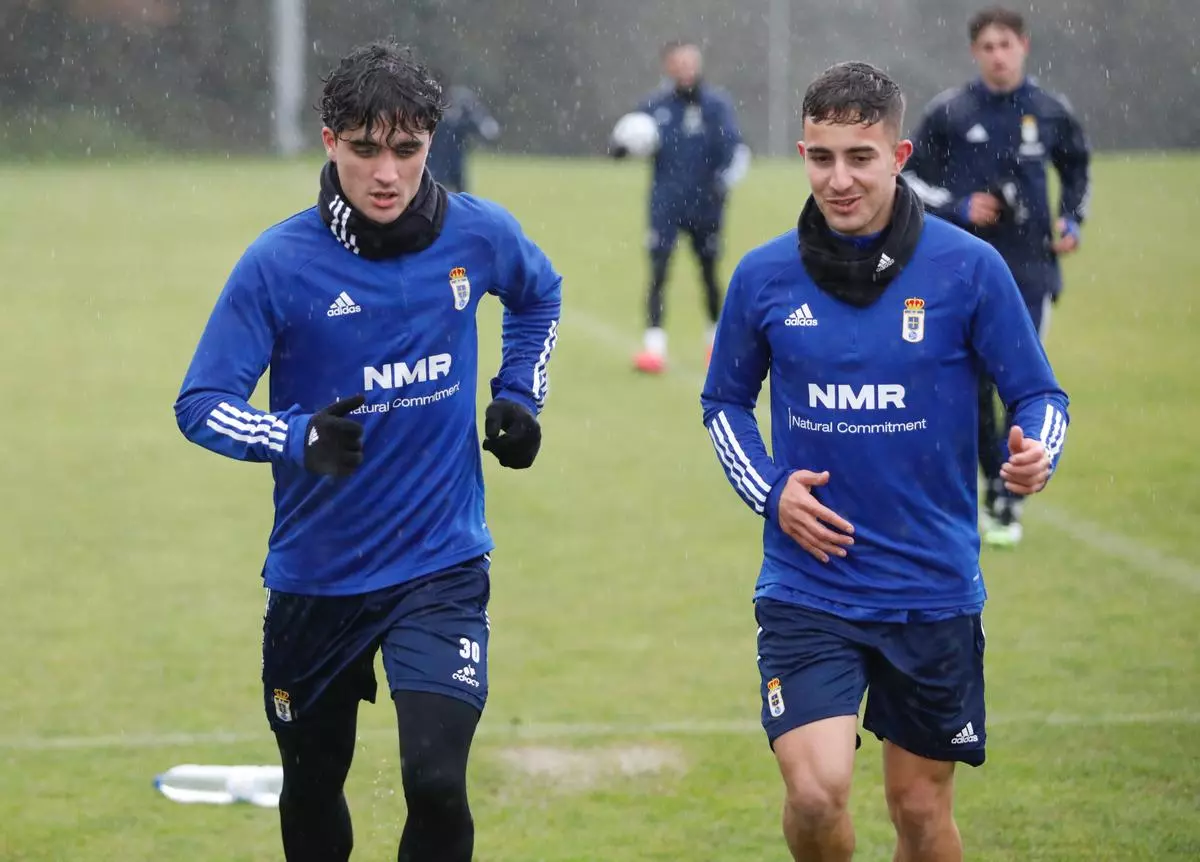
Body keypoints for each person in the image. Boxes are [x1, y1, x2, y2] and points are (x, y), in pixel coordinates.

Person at [173, 40, 561, 862]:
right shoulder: (277, 264)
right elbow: (201, 405)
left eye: (407, 149)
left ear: (430, 142)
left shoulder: (478, 233)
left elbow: (539, 296)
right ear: (329, 141)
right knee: (313, 788)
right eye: (364, 149)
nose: (388, 173)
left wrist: (520, 396)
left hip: (441, 566)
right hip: (317, 578)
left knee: (436, 782)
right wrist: (294, 436)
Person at [701, 61, 1069, 861]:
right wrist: (771, 492)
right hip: (808, 585)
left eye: (859, 158)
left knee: (921, 814)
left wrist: (1038, 448)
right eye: (821, 157)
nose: (838, 179)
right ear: (803, 153)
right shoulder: (764, 276)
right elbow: (723, 403)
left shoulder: (969, 268)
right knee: (814, 794)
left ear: (899, 156)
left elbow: (1040, 394)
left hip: (930, 587)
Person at [903, 5, 1090, 548]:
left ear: (1023, 46)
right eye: (987, 47)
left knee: (1021, 385)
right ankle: (993, 482)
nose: (998, 56)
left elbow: (1076, 168)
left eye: (1006, 45)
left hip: (1030, 271)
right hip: (962, 273)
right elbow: (908, 179)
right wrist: (959, 207)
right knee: (973, 389)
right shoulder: (951, 112)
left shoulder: (1050, 111)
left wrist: (1071, 218)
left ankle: (1009, 495)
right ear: (974, 52)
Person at [612, 39, 750, 373]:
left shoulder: (717, 106)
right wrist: (623, 145)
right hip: (666, 206)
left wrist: (721, 185)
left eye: (691, 62)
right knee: (658, 272)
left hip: (707, 207)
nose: (686, 69)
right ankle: (653, 348)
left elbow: (736, 151)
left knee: (709, 273)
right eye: (679, 63)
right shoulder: (654, 106)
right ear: (668, 67)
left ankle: (715, 343)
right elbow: (619, 148)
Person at [425, 80, 500, 193]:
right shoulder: (433, 111)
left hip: (452, 166)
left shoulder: (461, 107)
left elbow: (481, 127)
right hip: (439, 166)